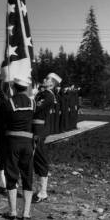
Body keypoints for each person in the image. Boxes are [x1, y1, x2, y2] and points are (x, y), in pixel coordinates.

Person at [3, 77, 35, 220]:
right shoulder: (33, 103)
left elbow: (2, 121)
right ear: (25, 88)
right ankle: (26, 213)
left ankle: (13, 212)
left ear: (14, 87)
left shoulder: (8, 103)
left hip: (12, 143)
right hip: (28, 143)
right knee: (27, 176)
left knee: (12, 176)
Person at [32, 72, 62, 203]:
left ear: (53, 83)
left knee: (40, 159)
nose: (44, 79)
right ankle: (39, 190)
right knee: (35, 159)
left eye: (47, 78)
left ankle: (43, 192)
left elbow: (35, 108)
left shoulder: (48, 96)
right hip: (34, 128)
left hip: (40, 129)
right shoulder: (42, 94)